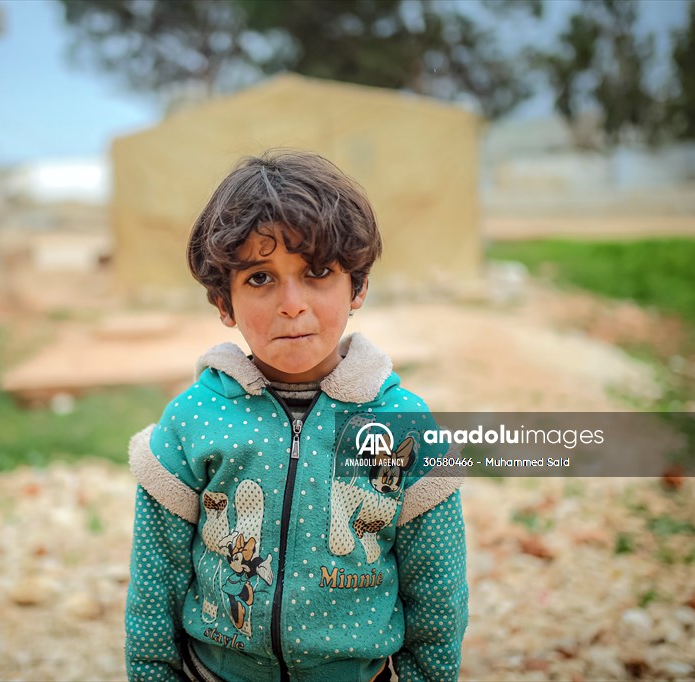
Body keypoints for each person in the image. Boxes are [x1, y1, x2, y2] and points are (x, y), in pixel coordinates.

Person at [124, 150, 468, 681]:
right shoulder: (194, 419)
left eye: (318, 272)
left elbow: (437, 592)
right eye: (260, 278)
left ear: (357, 287)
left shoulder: (400, 423)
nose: (291, 303)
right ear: (224, 302)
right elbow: (155, 584)